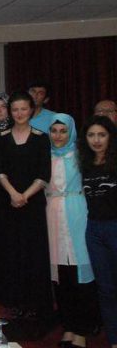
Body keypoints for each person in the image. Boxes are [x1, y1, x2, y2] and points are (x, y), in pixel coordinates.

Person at [0, 91, 52, 319]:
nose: (19, 113)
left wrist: (24, 196)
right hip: (8, 203)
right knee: (12, 252)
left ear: (31, 110)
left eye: (23, 109)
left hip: (33, 204)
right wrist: (13, 193)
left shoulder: (41, 138)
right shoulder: (2, 138)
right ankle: (15, 301)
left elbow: (44, 173)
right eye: (15, 109)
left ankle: (35, 303)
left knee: (34, 252)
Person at [47, 114, 97, 348]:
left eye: (63, 131)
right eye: (54, 131)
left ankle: (82, 331)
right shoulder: (45, 155)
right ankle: (68, 327)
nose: (58, 136)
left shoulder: (81, 155)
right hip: (51, 213)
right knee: (60, 274)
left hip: (77, 211)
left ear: (71, 132)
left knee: (80, 271)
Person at [78, 116, 117, 348]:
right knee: (106, 289)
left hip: (115, 226)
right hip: (93, 230)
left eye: (102, 135)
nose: (96, 140)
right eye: (91, 135)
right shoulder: (84, 163)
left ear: (110, 137)